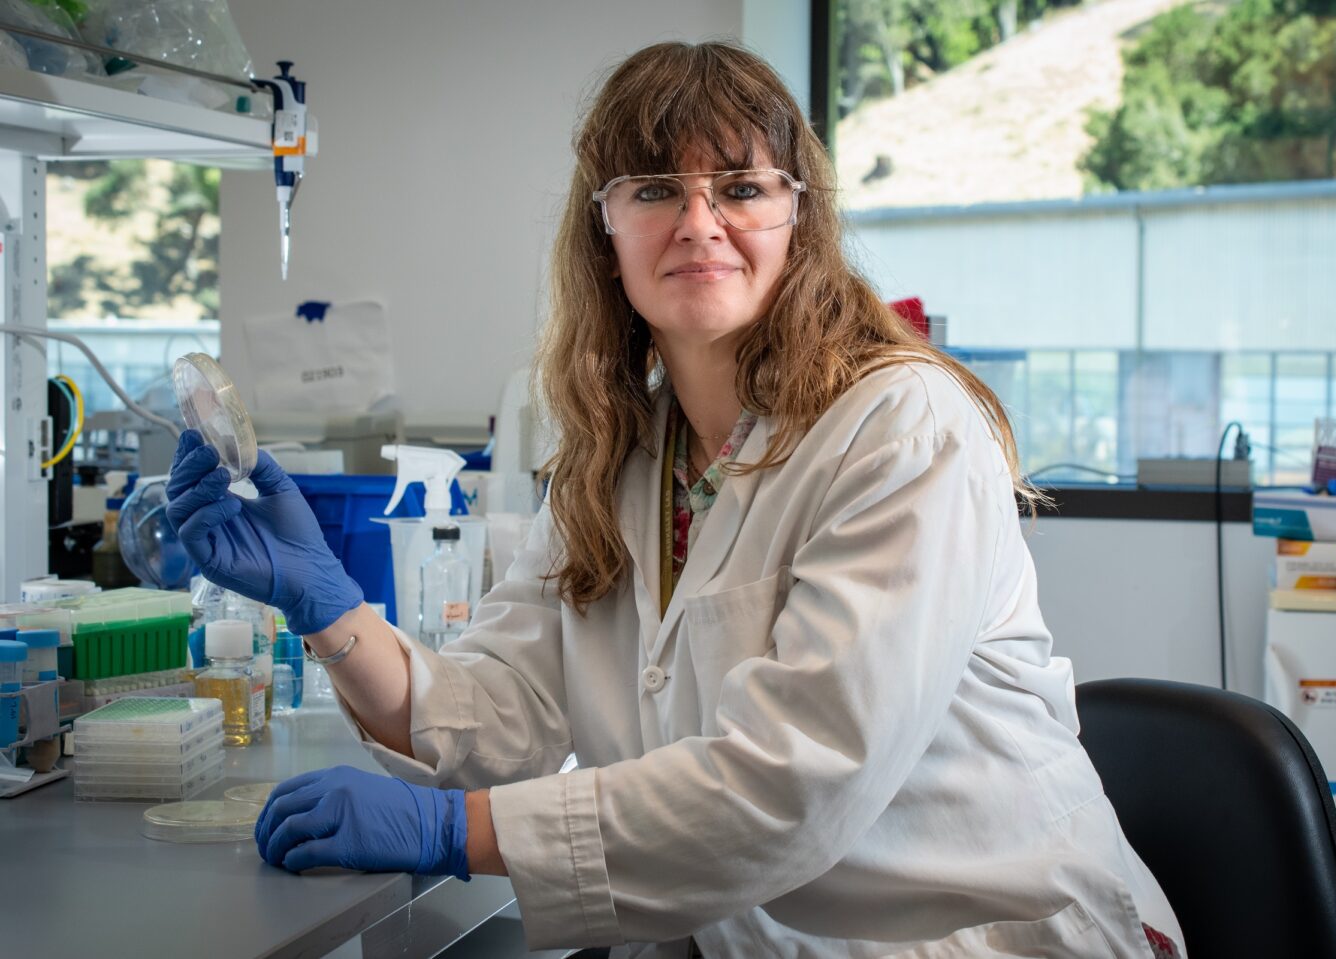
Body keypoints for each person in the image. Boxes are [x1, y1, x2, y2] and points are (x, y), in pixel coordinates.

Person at [166, 40, 1184, 959]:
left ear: (798, 217)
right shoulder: (619, 456)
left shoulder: (902, 427)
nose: (700, 222)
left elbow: (794, 779)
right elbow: (503, 712)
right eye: (656, 188)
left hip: (986, 941)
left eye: (740, 185)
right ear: (605, 226)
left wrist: (456, 834)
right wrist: (329, 606)